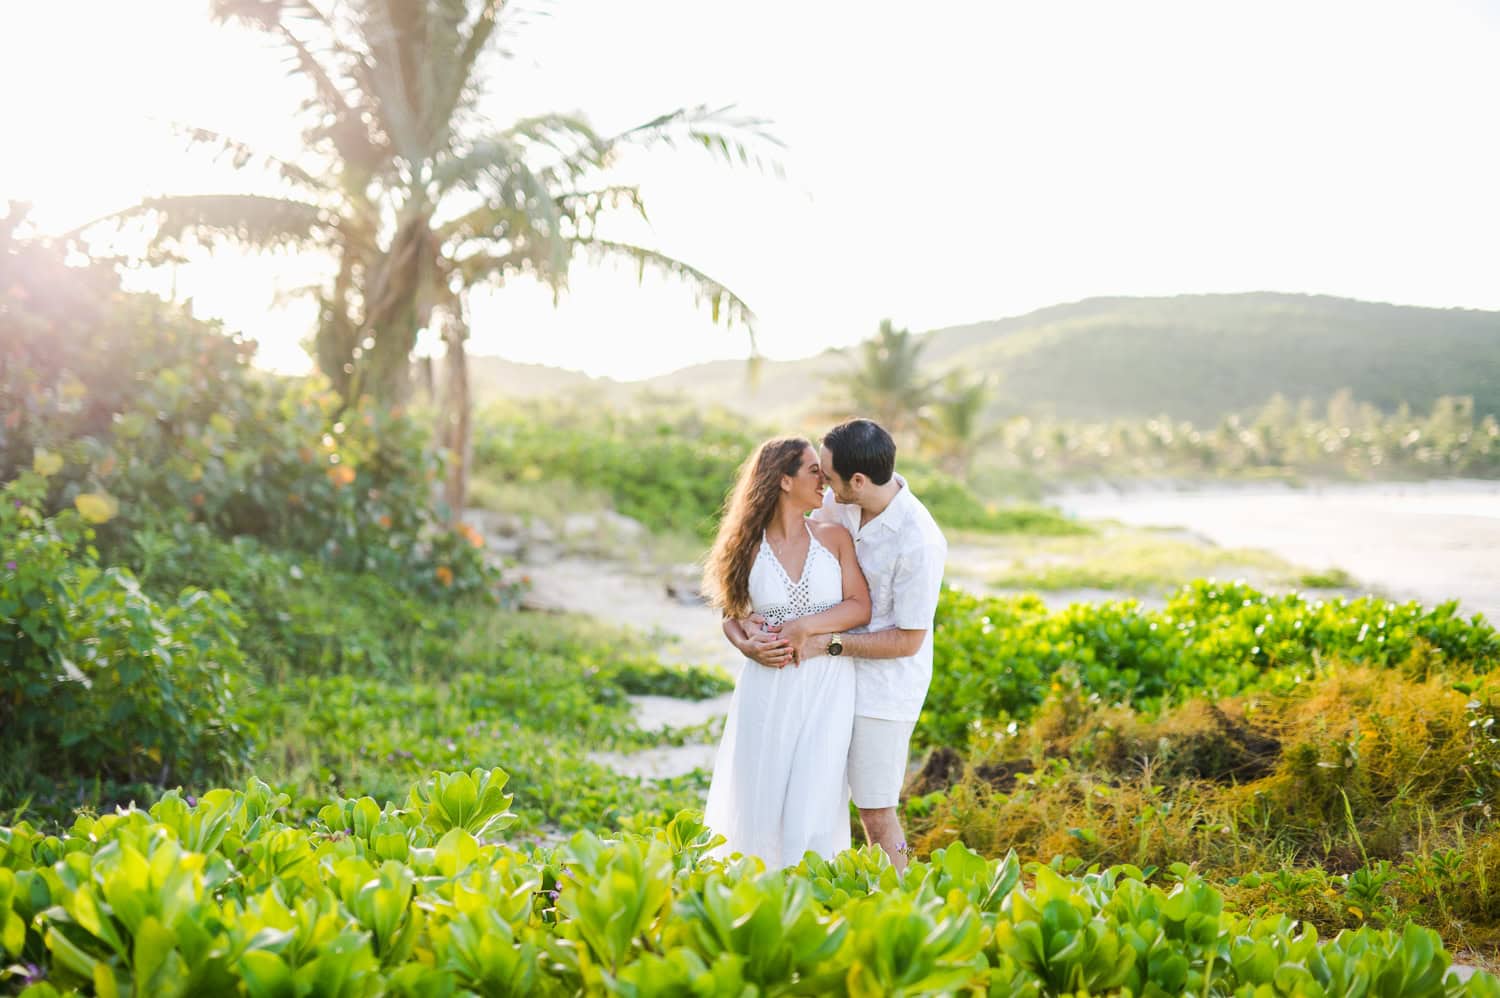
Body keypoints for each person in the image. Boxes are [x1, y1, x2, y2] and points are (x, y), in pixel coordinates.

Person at [724, 419, 946, 873]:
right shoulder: (839, 505)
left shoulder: (918, 541)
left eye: (827, 474)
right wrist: (748, 631)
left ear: (858, 481)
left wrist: (822, 640)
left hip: (883, 688)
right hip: (823, 681)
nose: (822, 481)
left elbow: (907, 640)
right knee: (808, 792)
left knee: (876, 808)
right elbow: (768, 568)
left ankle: (903, 893)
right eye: (817, 472)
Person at [701, 437, 872, 867]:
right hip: (767, 687)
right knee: (761, 796)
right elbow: (732, 616)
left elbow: (859, 606)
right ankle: (757, 896)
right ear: (783, 479)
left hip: (826, 685)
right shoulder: (744, 545)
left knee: (815, 797)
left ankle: (811, 898)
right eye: (814, 471)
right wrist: (747, 648)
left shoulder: (833, 538)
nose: (825, 481)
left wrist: (804, 627)